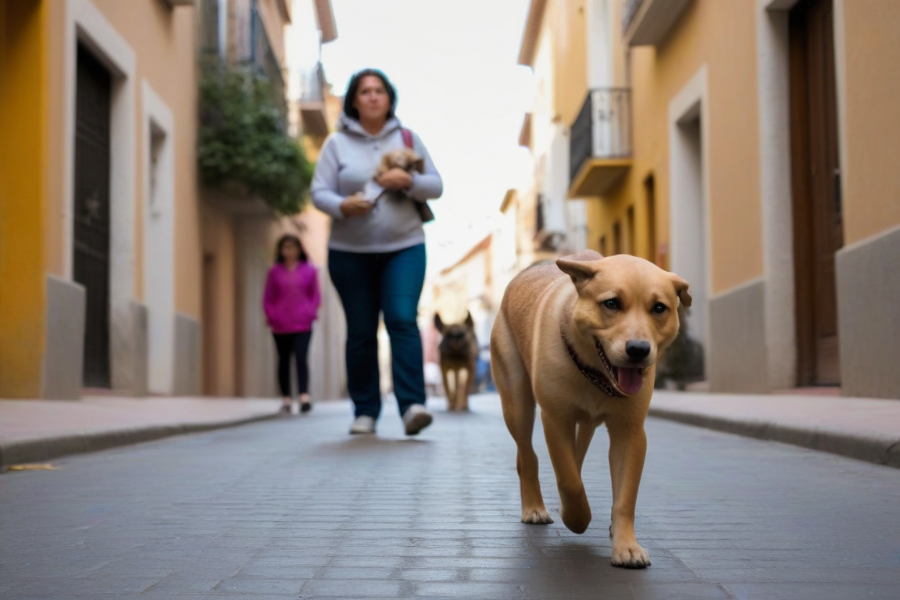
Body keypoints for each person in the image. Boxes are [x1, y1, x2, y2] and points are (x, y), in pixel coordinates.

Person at [311, 68, 443, 435]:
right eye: (365, 91)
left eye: (379, 91)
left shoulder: (407, 137)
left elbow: (436, 185)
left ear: (389, 98)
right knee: (361, 330)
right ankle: (365, 411)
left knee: (401, 319)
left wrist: (410, 180)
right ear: (354, 100)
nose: (372, 96)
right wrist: (342, 205)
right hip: (349, 252)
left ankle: (412, 405)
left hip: (405, 247)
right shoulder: (336, 144)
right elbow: (318, 191)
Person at [263, 234, 321, 415]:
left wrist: (310, 312)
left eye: (293, 247)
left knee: (301, 357)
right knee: (284, 360)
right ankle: (286, 398)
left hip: (303, 323)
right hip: (280, 324)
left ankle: (304, 395)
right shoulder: (274, 271)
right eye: (285, 247)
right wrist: (272, 315)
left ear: (299, 249)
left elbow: (315, 295)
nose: (289, 251)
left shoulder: (309, 270)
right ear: (280, 250)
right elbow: (268, 297)